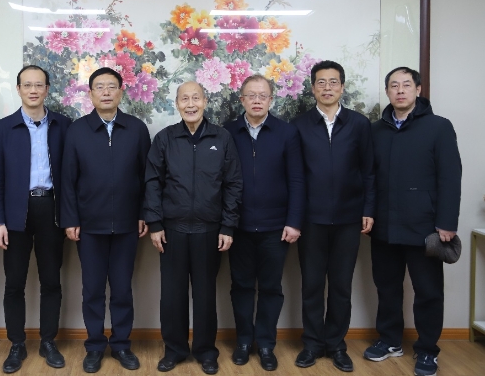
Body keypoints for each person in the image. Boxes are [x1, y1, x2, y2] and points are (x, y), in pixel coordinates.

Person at [364, 67, 461, 376]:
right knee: (387, 288)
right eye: (394, 86)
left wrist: (447, 222)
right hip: (384, 226)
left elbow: (450, 178)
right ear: (387, 92)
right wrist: (368, 213)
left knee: (428, 292)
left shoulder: (439, 127)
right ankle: (390, 340)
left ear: (418, 90)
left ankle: (428, 350)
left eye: (406, 85)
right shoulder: (375, 130)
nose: (400, 90)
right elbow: (369, 177)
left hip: (425, 227)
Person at [145, 81, 243, 375]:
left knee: (205, 295)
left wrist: (228, 226)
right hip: (172, 231)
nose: (190, 104)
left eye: (196, 98)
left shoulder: (222, 138)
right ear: (177, 104)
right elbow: (152, 182)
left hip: (209, 231)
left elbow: (233, 184)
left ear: (205, 102)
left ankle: (205, 351)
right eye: (184, 99)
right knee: (172, 296)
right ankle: (174, 350)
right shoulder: (165, 138)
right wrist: (155, 224)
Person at [61, 67, 151, 373]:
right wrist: (70, 219)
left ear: (121, 92)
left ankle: (122, 344)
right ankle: (95, 346)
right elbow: (68, 179)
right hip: (89, 225)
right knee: (93, 290)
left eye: (112, 86)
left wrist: (143, 214)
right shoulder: (77, 130)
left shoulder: (136, 129)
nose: (106, 92)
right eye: (99, 87)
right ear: (90, 94)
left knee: (123, 289)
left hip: (127, 224)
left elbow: (147, 177)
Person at [291, 60, 375, 372]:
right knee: (312, 285)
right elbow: (294, 177)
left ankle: (337, 345)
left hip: (349, 219)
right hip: (311, 220)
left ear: (342, 87)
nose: (327, 87)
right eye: (321, 82)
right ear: (312, 88)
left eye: (333, 82)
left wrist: (368, 210)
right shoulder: (299, 125)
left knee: (341, 286)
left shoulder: (359, 124)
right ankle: (312, 344)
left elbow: (369, 172)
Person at [0, 65, 71, 373]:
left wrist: (69, 217)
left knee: (51, 280)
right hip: (15, 213)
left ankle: (48, 341)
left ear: (47, 89)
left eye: (39, 85)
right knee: (14, 283)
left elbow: (72, 177)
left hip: (51, 209)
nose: (33, 90)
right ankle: (17, 344)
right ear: (18, 89)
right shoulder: (3, 128)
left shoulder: (63, 125)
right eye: (27, 85)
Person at [223, 75, 305, 372]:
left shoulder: (286, 132)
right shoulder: (228, 131)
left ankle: (267, 343)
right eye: (251, 95)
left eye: (263, 95)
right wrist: (225, 224)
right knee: (241, 286)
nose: (257, 100)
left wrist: (294, 222)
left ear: (271, 99)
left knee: (271, 287)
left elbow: (297, 180)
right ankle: (244, 341)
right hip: (239, 226)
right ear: (242, 100)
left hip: (276, 227)